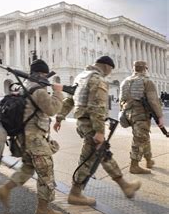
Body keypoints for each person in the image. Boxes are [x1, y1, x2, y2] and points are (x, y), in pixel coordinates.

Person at [53, 56, 141, 206]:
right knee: (87, 160)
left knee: (103, 154)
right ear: (107, 66)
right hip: (91, 125)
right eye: (111, 69)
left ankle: (125, 186)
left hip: (83, 122)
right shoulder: (97, 79)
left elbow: (70, 99)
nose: (110, 73)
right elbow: (97, 107)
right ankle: (75, 194)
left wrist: (59, 117)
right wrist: (99, 131)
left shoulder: (81, 76)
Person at [0, 59, 65, 214]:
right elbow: (52, 109)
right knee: (46, 172)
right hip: (35, 140)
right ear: (43, 73)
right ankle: (43, 209)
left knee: (28, 168)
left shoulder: (25, 87)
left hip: (23, 138)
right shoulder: (39, 91)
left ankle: (5, 189)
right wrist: (58, 92)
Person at [119, 61, 164, 174]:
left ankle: (149, 160)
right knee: (139, 139)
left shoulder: (125, 81)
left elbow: (121, 100)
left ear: (134, 68)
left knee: (144, 136)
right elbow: (153, 101)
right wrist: (160, 117)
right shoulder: (147, 81)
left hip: (128, 114)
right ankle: (134, 166)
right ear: (145, 69)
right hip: (141, 115)